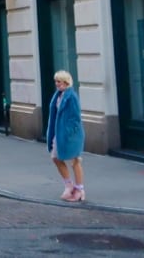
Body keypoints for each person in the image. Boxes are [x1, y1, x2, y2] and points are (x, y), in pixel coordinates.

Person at [47, 69, 86, 201]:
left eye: (59, 81)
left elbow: (75, 118)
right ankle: (69, 185)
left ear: (65, 82)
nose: (57, 84)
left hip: (71, 135)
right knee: (56, 157)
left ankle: (80, 189)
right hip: (59, 134)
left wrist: (68, 132)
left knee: (75, 161)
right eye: (56, 81)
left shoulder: (71, 96)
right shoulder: (59, 95)